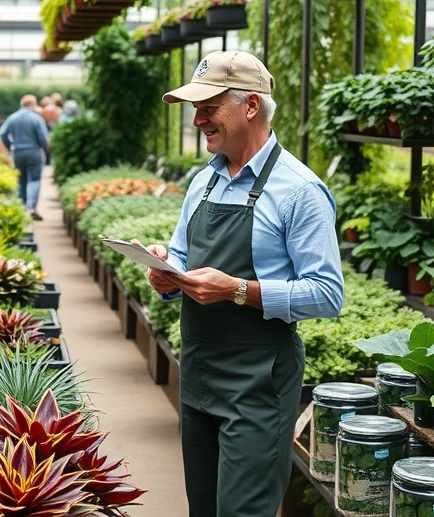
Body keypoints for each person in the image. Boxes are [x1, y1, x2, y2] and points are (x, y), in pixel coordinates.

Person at [144, 51, 344, 517]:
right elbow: (184, 260)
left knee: (242, 511)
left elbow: (327, 293)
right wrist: (165, 271)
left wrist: (237, 289)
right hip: (198, 374)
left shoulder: (300, 191)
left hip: (257, 385)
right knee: (205, 509)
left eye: (208, 108)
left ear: (251, 106)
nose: (197, 120)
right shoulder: (204, 182)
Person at [0, 94, 49, 221]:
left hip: (17, 152)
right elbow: (43, 138)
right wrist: (45, 149)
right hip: (34, 152)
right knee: (34, 180)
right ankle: (31, 207)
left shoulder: (12, 118)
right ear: (33, 104)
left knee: (21, 181)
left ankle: (21, 207)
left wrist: (9, 145)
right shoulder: (36, 118)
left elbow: (3, 133)